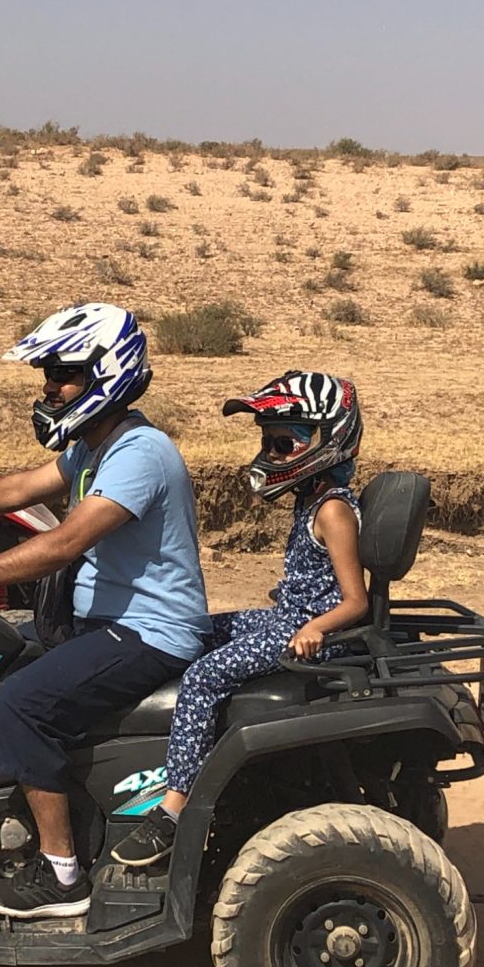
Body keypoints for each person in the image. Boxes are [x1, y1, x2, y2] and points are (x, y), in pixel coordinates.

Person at [0, 302, 210, 919]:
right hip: (111, 626)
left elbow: (63, 543)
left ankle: (61, 875)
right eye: (47, 374)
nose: (50, 388)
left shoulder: (139, 452)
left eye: (64, 374)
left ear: (108, 373)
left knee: (22, 700)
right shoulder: (95, 447)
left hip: (150, 631)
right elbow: (21, 487)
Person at [110, 370, 369, 867]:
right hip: (290, 616)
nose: (270, 455)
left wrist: (314, 628)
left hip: (309, 630)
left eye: (283, 444)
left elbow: (355, 600)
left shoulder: (332, 511)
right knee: (197, 629)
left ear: (326, 442)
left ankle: (174, 808)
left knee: (203, 677)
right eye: (267, 442)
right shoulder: (312, 500)